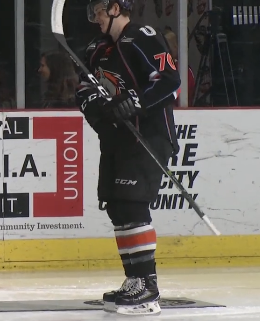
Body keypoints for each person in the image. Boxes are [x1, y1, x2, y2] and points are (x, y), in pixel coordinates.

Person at [76, 0, 180, 316]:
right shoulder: (95, 47)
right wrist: (100, 109)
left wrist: (134, 102)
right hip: (116, 140)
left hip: (147, 137)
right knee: (118, 205)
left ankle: (148, 288)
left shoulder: (143, 36)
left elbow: (170, 82)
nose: (94, 16)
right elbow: (84, 91)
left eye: (98, 9)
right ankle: (134, 280)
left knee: (133, 204)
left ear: (117, 7)